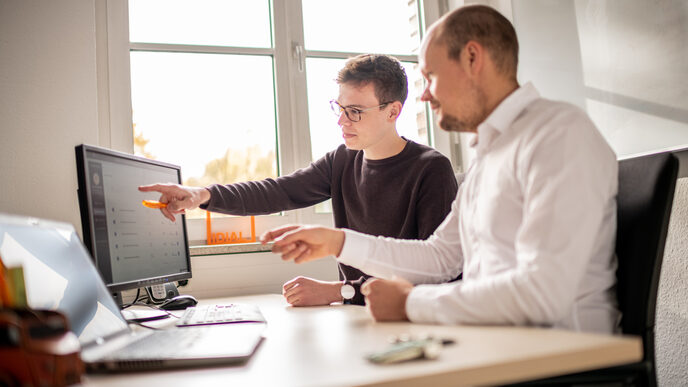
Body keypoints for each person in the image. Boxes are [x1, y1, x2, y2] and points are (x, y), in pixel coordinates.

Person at [261, 5, 620, 334]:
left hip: (559, 357)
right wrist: (340, 242)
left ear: (472, 58)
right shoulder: (492, 152)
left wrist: (409, 304)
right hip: (497, 343)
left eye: (430, 76)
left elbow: (544, 294)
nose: (424, 96)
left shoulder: (557, 135)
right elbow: (441, 257)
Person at [139, 54, 458, 307]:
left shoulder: (431, 170)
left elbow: (434, 274)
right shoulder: (342, 160)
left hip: (412, 322)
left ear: (393, 111)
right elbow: (276, 192)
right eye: (340, 108)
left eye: (355, 112)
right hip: (357, 320)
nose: (341, 121)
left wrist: (340, 291)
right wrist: (200, 195)